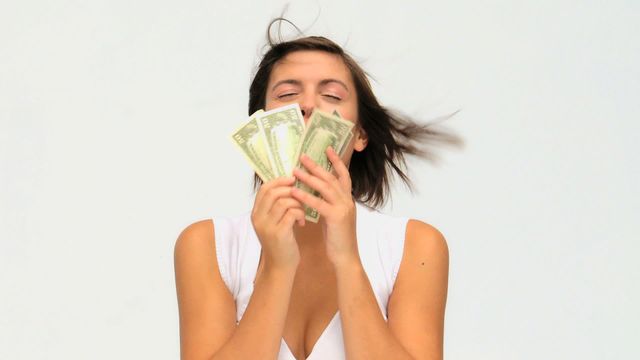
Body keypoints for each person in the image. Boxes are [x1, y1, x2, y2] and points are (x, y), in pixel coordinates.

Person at [174, 20, 463, 360]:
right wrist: (277, 269)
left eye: (331, 95)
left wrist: (348, 259)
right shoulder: (208, 246)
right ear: (260, 125)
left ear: (359, 135)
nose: (307, 105)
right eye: (287, 94)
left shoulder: (414, 246)